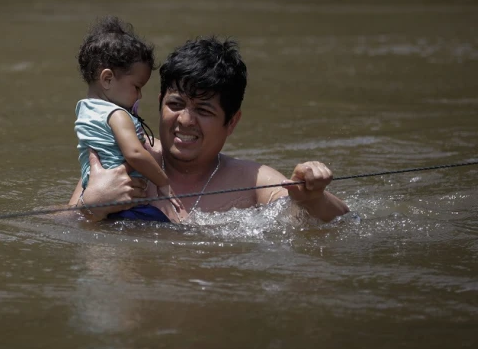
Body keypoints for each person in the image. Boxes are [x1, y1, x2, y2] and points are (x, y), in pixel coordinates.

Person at [69, 35, 349, 223]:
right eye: (176, 104)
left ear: (232, 122)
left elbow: (345, 222)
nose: (185, 121)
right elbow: (55, 226)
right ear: (159, 104)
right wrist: (87, 207)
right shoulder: (118, 163)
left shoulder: (252, 182)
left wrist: (314, 198)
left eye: (203, 111)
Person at [74, 17, 184, 223]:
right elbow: (134, 153)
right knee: (176, 229)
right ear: (107, 79)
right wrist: (163, 183)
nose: (140, 96)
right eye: (137, 86)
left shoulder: (84, 110)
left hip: (98, 197)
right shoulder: (116, 115)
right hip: (127, 206)